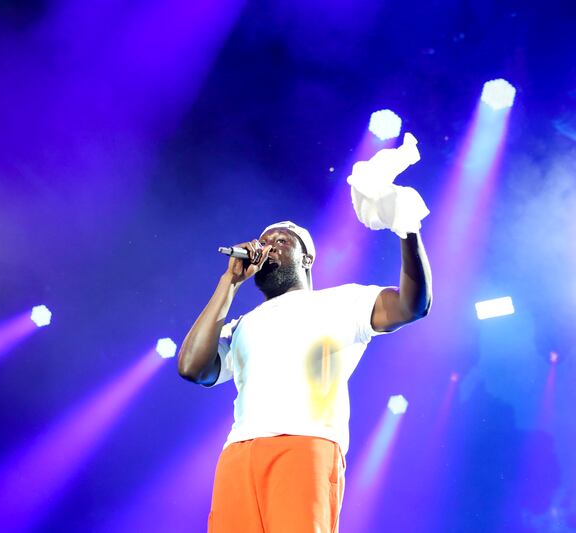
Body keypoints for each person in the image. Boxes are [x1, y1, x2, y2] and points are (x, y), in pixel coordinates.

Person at [178, 134, 432, 533]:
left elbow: (411, 306)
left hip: (305, 444)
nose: (269, 247)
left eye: (282, 241)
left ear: (307, 257)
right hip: (239, 452)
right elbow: (193, 368)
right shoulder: (240, 324)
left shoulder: (342, 301)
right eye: (264, 242)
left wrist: (407, 230)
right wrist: (228, 283)